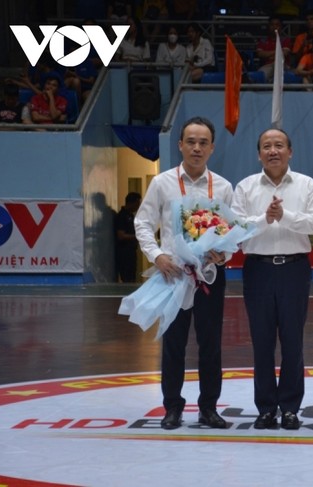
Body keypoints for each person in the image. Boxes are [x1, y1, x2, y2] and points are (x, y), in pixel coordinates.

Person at [134, 116, 233, 430]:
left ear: (212, 147)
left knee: (211, 345)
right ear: (180, 145)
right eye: (191, 141)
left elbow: (232, 232)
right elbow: (143, 223)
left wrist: (224, 253)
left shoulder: (223, 186)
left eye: (203, 142)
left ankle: (208, 409)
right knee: (173, 344)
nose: (196, 148)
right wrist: (158, 255)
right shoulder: (162, 183)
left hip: (209, 277)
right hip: (173, 275)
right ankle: (172, 408)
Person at [231, 128, 313, 431]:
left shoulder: (306, 185)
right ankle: (265, 408)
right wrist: (265, 219)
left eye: (279, 145)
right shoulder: (245, 187)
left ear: (290, 151)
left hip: (294, 270)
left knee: (293, 342)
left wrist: (284, 216)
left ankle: (289, 408)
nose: (273, 151)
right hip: (257, 270)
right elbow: (236, 228)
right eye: (266, 146)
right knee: (261, 343)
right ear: (259, 153)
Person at [115, 192, 142, 283]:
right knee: (127, 278)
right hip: (124, 253)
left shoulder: (131, 216)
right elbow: (121, 235)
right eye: (137, 204)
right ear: (131, 203)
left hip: (131, 252)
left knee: (132, 276)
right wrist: (137, 236)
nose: (138, 207)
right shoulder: (122, 216)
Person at [256, 16, 292, 82]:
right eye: (272, 25)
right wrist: (277, 52)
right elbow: (260, 54)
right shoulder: (263, 40)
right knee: (261, 74)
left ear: (281, 27)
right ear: (268, 26)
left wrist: (268, 55)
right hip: (267, 66)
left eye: (277, 25)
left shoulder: (286, 40)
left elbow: (284, 53)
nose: (274, 27)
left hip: (283, 66)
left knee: (277, 65)